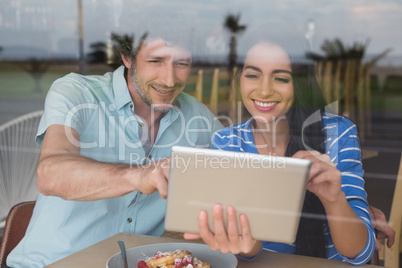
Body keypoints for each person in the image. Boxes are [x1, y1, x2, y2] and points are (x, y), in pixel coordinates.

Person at [6, 35, 222, 267]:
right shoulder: (77, 93)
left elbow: (239, 175)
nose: (169, 80)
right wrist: (138, 175)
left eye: (181, 63)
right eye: (155, 61)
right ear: (127, 57)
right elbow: (50, 174)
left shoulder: (198, 117)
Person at [184, 40, 377, 265]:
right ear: (239, 80)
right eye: (253, 75)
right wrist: (247, 245)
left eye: (281, 78)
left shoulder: (338, 134)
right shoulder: (227, 142)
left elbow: (360, 253)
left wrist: (335, 201)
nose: (264, 90)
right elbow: (247, 253)